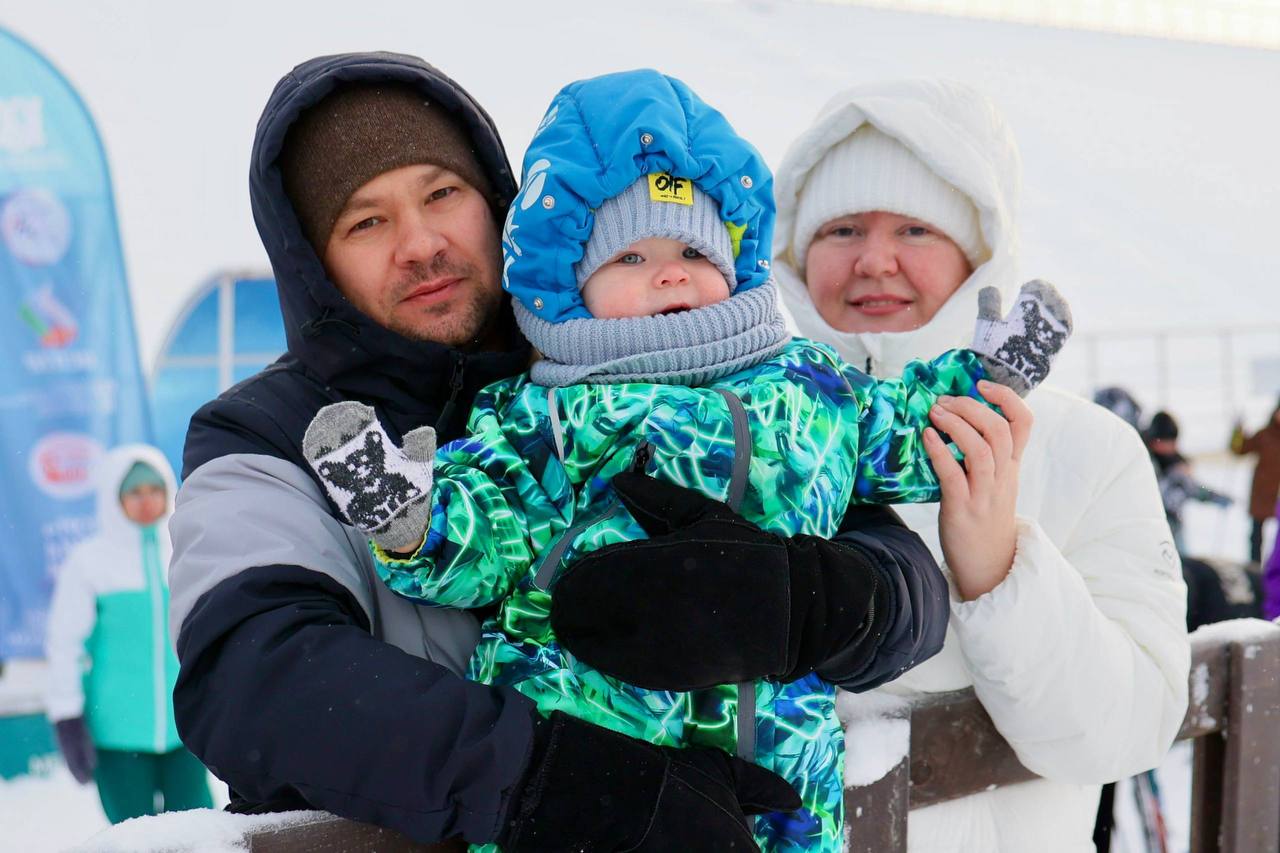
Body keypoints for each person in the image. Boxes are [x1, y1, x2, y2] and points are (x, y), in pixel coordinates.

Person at [169, 52, 933, 852]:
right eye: (367, 221)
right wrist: (564, 784)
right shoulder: (263, 437)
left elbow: (889, 550)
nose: (421, 242)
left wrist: (826, 599)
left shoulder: (621, 359)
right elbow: (257, 680)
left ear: (502, 205)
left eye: (441, 194)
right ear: (312, 265)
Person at [302, 69, 1069, 852]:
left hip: (782, 780)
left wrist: (986, 382)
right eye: (630, 258)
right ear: (572, 288)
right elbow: (488, 529)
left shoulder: (808, 386)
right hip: (606, 779)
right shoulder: (551, 416)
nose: (669, 272)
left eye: (691, 250)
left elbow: (908, 433)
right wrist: (412, 519)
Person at [761, 79, 1189, 851]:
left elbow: (1129, 729)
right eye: (843, 228)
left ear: (977, 253)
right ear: (795, 253)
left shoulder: (1084, 449)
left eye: (917, 230)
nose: (875, 260)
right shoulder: (729, 428)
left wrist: (1000, 573)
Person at [45, 445, 213, 823]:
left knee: (199, 833)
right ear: (114, 498)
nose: (147, 501)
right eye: (134, 492)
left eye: (155, 490)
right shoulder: (90, 561)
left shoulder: (187, 550)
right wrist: (67, 719)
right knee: (131, 838)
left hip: (183, 728)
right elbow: (64, 644)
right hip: (117, 734)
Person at [1144, 410, 1232, 555]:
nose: (1170, 446)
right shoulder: (1145, 461)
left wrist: (1214, 496)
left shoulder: (1177, 462)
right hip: (1150, 529)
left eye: (1172, 441)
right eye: (1166, 442)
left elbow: (1194, 487)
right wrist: (1173, 478)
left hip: (1174, 528)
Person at [1230, 400, 1280, 563]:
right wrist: (1238, 431)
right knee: (1256, 536)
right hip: (1262, 494)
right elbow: (1238, 449)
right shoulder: (1264, 435)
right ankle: (1255, 567)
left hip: (1278, 495)